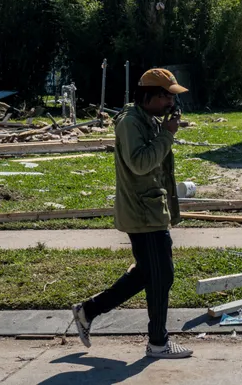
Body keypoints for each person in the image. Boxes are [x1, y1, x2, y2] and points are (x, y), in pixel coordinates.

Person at [70, 68, 193, 359]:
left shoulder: (147, 119)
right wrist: (167, 135)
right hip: (141, 213)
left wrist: (164, 130)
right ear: (149, 95)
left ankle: (88, 311)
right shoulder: (130, 124)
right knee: (161, 275)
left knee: (148, 274)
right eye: (167, 97)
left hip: (150, 209)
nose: (171, 104)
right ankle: (158, 342)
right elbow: (140, 164)